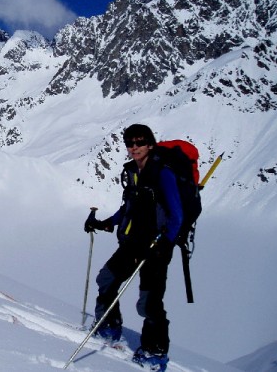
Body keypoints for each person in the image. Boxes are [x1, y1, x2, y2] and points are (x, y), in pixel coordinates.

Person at [84, 124, 183, 371]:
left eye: (139, 142)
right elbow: (129, 207)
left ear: (150, 144)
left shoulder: (163, 173)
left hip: (156, 247)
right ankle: (108, 326)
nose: (134, 147)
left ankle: (154, 352)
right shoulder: (131, 172)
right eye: (130, 142)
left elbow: (176, 215)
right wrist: (105, 223)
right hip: (133, 243)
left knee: (148, 303)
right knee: (106, 279)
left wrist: (163, 243)